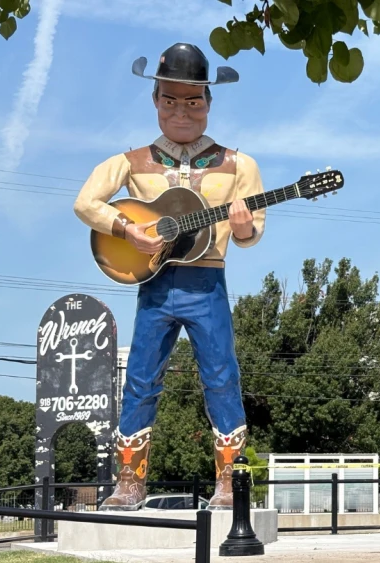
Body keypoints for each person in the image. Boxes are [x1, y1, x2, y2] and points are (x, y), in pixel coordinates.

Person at [72, 43, 266, 511]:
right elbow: (85, 202)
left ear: (208, 102)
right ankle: (130, 481)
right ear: (155, 101)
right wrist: (126, 229)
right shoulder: (132, 161)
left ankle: (230, 481)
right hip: (155, 284)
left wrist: (242, 228)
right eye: (170, 99)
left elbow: (251, 232)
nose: (182, 110)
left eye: (193, 100)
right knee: (140, 377)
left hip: (207, 282)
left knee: (222, 377)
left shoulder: (239, 165)